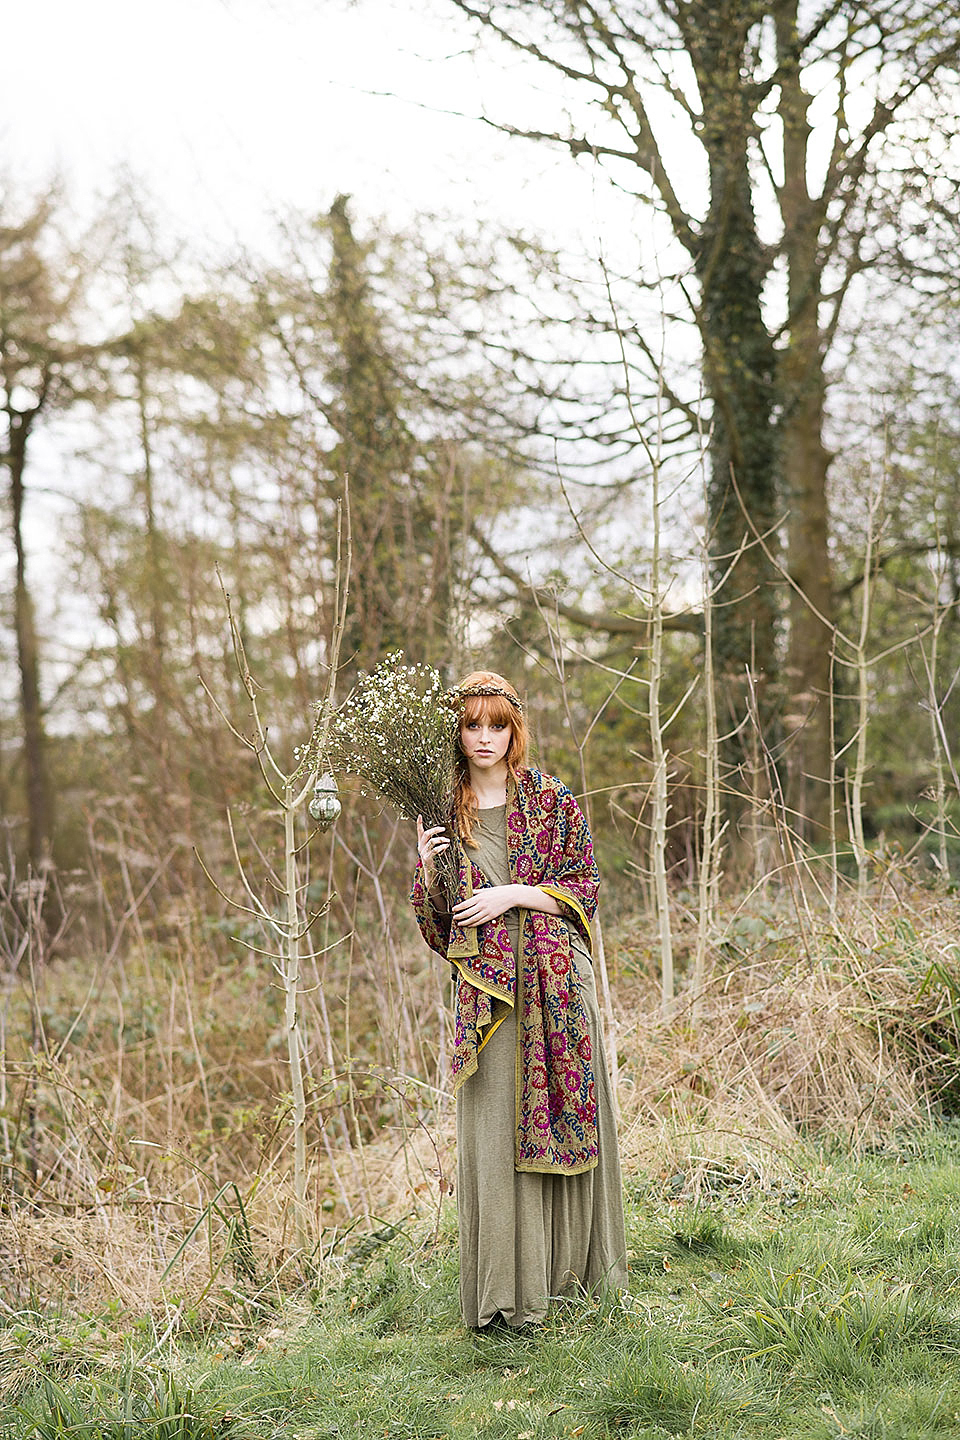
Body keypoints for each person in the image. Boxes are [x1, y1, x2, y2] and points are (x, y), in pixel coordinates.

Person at [410, 670, 627, 1329]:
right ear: (458, 732)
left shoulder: (550, 799)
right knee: (494, 1128)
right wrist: (426, 869)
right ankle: (506, 1295)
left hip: (560, 983)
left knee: (565, 1121)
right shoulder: (443, 810)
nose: (484, 737)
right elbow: (438, 925)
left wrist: (513, 894)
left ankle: (574, 1284)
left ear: (514, 729)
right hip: (489, 996)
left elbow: (585, 887)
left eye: (496, 725)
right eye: (472, 725)